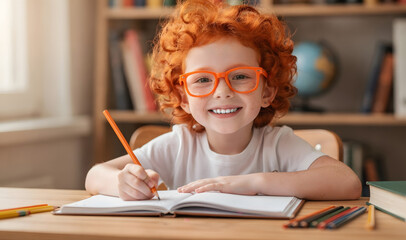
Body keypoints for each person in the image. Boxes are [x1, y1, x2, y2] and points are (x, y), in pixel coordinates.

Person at [85, 0, 361, 201]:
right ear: (183, 97)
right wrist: (122, 182)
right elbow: (94, 176)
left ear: (267, 91)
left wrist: (255, 182)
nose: (222, 91)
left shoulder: (278, 145)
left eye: (240, 76)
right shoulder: (178, 145)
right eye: (203, 80)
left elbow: (347, 182)